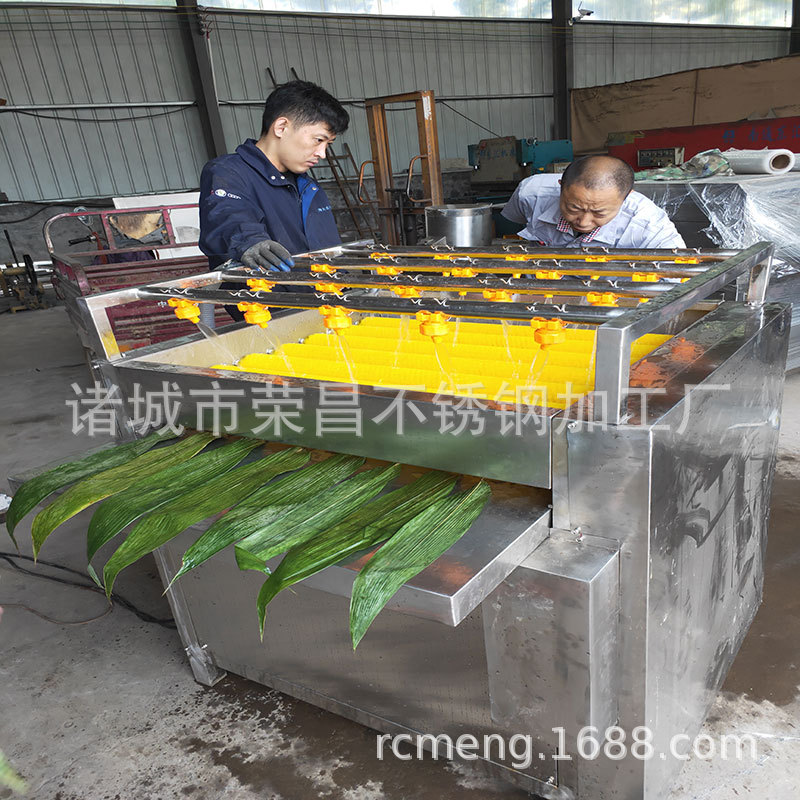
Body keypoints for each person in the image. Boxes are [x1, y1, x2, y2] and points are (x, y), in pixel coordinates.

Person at [199, 80, 349, 275]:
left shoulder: (308, 187)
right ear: (281, 127)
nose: (322, 154)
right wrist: (250, 241)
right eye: (318, 140)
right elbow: (228, 216)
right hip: (265, 295)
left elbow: (327, 250)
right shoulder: (228, 172)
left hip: (323, 293)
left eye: (328, 144)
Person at [501, 155, 685, 249]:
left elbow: (676, 279)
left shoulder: (650, 227)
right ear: (561, 186)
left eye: (599, 213)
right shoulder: (531, 193)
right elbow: (517, 220)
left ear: (626, 197)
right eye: (573, 208)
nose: (583, 222)